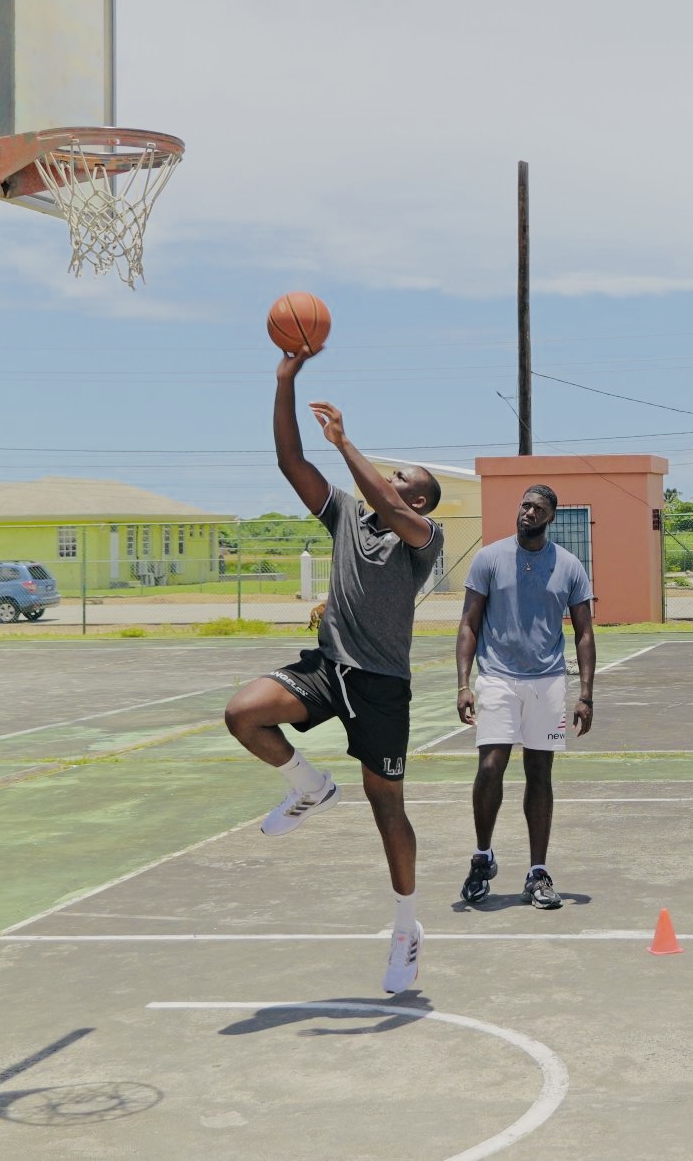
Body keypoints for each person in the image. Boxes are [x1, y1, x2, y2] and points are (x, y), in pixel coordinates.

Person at [222, 351, 443, 995]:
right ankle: (308, 785)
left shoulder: (422, 536)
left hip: (381, 686)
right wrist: (286, 381)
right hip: (328, 667)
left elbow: (384, 499)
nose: (391, 479)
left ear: (418, 496)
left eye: (402, 476)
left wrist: (347, 443)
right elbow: (291, 462)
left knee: (387, 808)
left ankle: (406, 927)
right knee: (243, 713)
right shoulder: (347, 517)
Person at [456, 485, 595, 912]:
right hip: (496, 677)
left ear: (551, 516)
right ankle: (483, 858)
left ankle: (538, 872)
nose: (528, 513)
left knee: (540, 774)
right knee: (491, 766)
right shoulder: (489, 558)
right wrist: (464, 683)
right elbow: (468, 625)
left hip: (548, 681)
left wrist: (586, 693)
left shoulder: (569, 566)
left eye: (537, 508)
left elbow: (585, 632)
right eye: (524, 505)